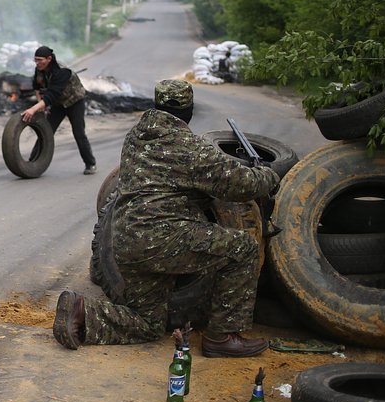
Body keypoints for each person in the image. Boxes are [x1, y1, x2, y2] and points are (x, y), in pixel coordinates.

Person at [53, 79, 280, 357]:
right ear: (189, 111)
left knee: (149, 324)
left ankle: (81, 311)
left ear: (157, 105)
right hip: (163, 239)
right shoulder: (190, 147)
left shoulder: (136, 136)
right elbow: (240, 185)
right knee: (243, 250)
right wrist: (269, 174)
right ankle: (223, 336)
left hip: (124, 240)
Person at [20, 46, 97, 175]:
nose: (37, 63)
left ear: (49, 59)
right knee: (45, 131)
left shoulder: (62, 72)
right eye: (35, 60)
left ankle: (90, 163)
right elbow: (37, 87)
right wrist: (41, 105)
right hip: (58, 104)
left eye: (40, 60)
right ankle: (33, 162)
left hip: (74, 102)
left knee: (79, 133)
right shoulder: (39, 70)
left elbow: (52, 94)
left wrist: (33, 109)